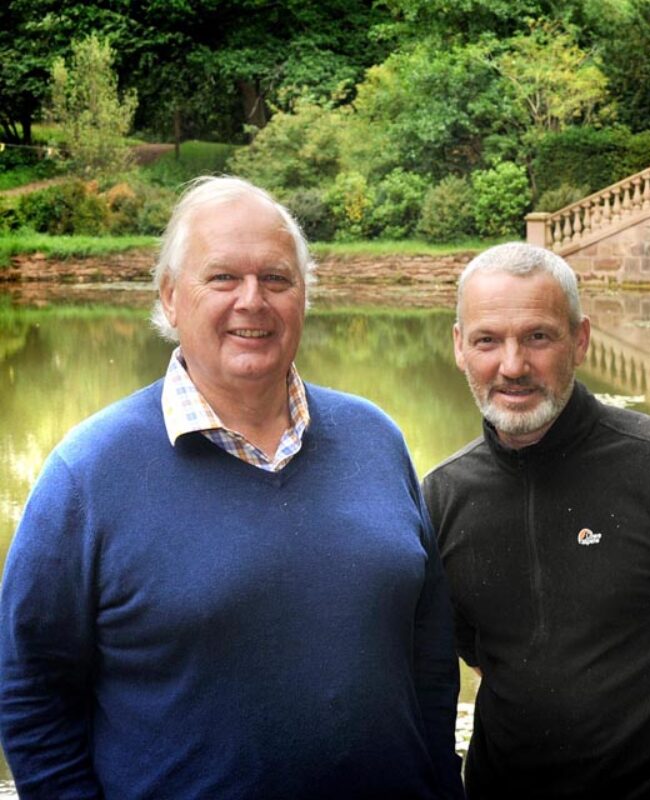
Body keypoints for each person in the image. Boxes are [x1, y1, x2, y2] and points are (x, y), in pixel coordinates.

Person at [0, 176, 464, 800]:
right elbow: (30, 693)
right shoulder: (87, 474)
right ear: (169, 298)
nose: (253, 301)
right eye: (222, 278)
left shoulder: (375, 437)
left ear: (304, 296)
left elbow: (429, 653)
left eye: (277, 279)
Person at [422, 242, 650, 799]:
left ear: (581, 339)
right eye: (487, 340)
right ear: (459, 346)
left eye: (538, 336)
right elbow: (478, 656)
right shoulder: (442, 497)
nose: (513, 365)